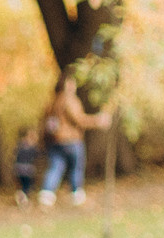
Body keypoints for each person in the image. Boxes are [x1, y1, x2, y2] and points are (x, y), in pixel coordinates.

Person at [36, 73, 110, 207]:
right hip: (71, 141)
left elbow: (45, 124)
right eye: (72, 83)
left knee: (55, 167)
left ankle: (46, 194)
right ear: (66, 85)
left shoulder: (52, 102)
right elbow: (79, 119)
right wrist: (98, 121)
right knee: (76, 167)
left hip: (54, 142)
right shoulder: (69, 100)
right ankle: (76, 195)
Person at [10, 125, 44, 205]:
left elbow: (15, 155)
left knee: (22, 185)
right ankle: (23, 200)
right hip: (28, 170)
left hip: (18, 168)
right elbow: (38, 156)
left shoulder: (20, 144)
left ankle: (21, 196)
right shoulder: (34, 147)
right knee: (27, 186)